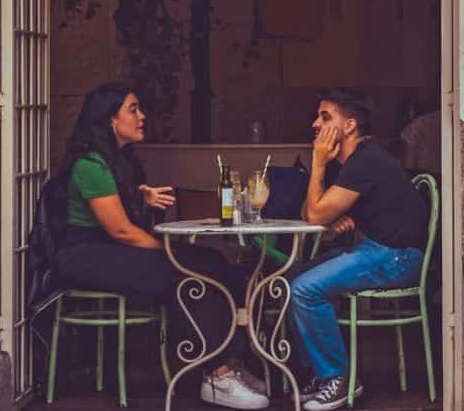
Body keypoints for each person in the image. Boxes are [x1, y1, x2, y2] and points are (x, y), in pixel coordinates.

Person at [52, 84, 270, 410]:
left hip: (112, 248)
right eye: (133, 109)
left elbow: (118, 209)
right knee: (186, 277)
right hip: (86, 255)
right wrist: (168, 252)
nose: (142, 116)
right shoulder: (90, 165)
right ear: (111, 119)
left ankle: (230, 360)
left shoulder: (119, 161)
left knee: (211, 261)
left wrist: (143, 197)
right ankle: (216, 375)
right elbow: (122, 230)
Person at [291, 88, 429, 411]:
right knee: (291, 278)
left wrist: (317, 164)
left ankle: (338, 379)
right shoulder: (354, 162)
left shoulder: (365, 161)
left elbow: (313, 214)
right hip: (376, 249)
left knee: (303, 288)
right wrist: (331, 213)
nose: (315, 123)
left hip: (397, 257)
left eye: (325, 117)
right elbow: (310, 213)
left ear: (350, 125)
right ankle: (316, 371)